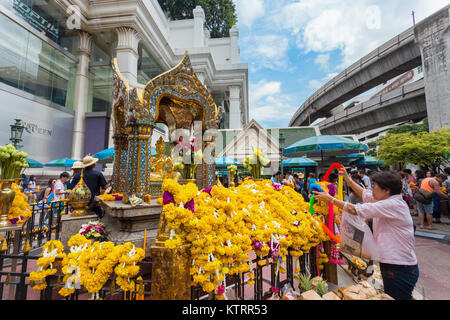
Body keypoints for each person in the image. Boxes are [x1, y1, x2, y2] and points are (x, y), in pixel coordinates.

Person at [314, 169, 419, 300]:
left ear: (386, 190)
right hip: (396, 265)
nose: (371, 188)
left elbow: (354, 209)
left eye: (374, 186)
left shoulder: (392, 204)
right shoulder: (387, 199)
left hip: (399, 267)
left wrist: (330, 199)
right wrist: (348, 179)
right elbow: (364, 194)